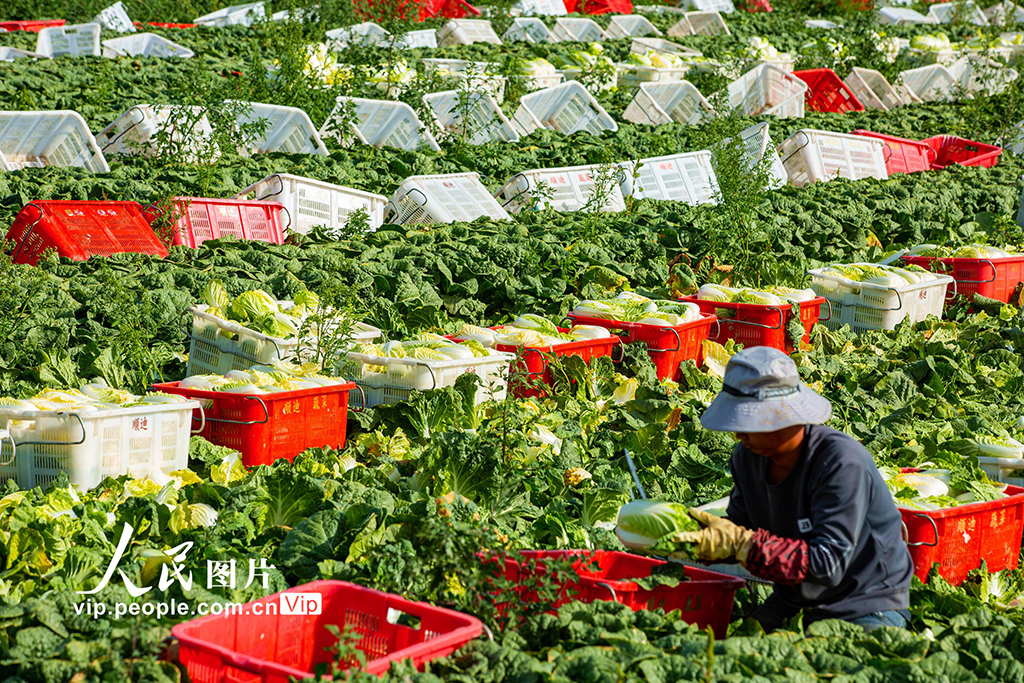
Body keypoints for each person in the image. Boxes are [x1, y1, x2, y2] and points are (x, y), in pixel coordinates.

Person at [676, 346, 914, 632]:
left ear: (784, 416)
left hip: (866, 604)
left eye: (747, 421)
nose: (738, 433)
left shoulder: (840, 462)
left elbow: (827, 565)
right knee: (735, 649)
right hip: (794, 599)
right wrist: (692, 537)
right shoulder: (747, 458)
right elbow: (739, 528)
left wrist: (744, 545)